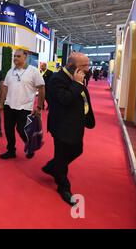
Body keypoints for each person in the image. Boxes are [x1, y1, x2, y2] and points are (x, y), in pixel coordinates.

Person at [43, 53, 95, 206]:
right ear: (72, 66)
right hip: (62, 125)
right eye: (84, 66)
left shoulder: (77, 76)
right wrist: (77, 84)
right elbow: (64, 99)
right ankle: (63, 187)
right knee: (62, 156)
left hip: (76, 123)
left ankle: (52, 167)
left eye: (88, 64)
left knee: (77, 150)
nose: (88, 69)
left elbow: (81, 97)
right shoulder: (56, 79)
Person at [0, 49, 45, 159]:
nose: (15, 58)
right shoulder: (10, 71)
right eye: (14, 56)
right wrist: (1, 103)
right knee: (8, 130)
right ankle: (11, 151)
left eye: (18, 56)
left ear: (25, 57)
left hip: (24, 107)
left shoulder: (33, 71)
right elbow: (5, 88)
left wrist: (39, 107)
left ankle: (30, 146)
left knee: (21, 129)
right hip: (9, 105)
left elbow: (41, 88)